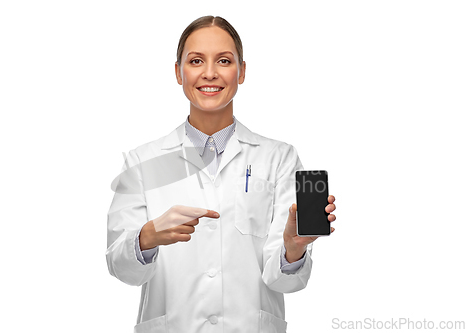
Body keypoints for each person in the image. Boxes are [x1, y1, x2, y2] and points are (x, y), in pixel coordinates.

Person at [106, 15, 337, 333]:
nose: (210, 73)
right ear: (178, 72)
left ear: (242, 72)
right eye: (196, 60)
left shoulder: (278, 158)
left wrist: (293, 248)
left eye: (224, 60)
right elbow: (122, 270)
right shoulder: (142, 162)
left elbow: (283, 281)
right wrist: (145, 239)